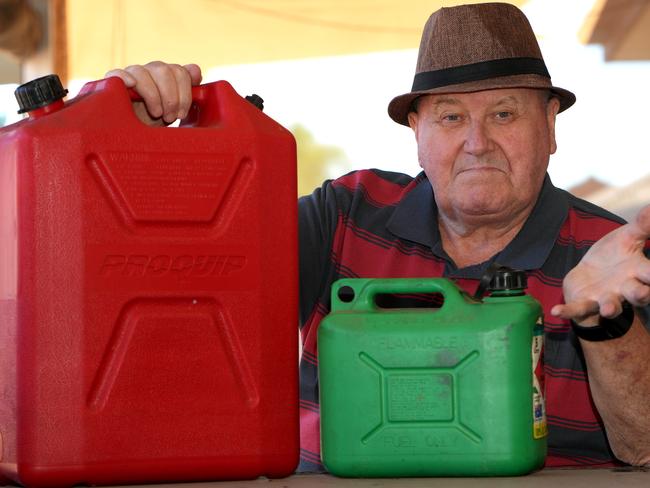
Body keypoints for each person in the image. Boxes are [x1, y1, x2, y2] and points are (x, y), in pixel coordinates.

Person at [105, 2, 650, 471]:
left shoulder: (614, 255)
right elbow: (186, 284)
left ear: (551, 125)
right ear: (416, 131)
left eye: (504, 113)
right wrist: (138, 138)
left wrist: (608, 321)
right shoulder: (343, 215)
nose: (477, 142)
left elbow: (643, 448)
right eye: (450, 116)